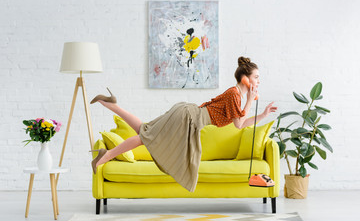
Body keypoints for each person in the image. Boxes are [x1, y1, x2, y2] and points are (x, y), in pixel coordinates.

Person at [90, 56, 278, 192]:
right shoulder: (234, 95)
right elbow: (240, 121)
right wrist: (250, 100)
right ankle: (104, 157)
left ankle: (111, 104)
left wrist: (262, 114)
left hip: (189, 117)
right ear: (245, 78)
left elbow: (240, 123)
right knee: (144, 137)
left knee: (144, 131)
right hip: (188, 118)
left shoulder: (237, 96)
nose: (258, 82)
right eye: (256, 78)